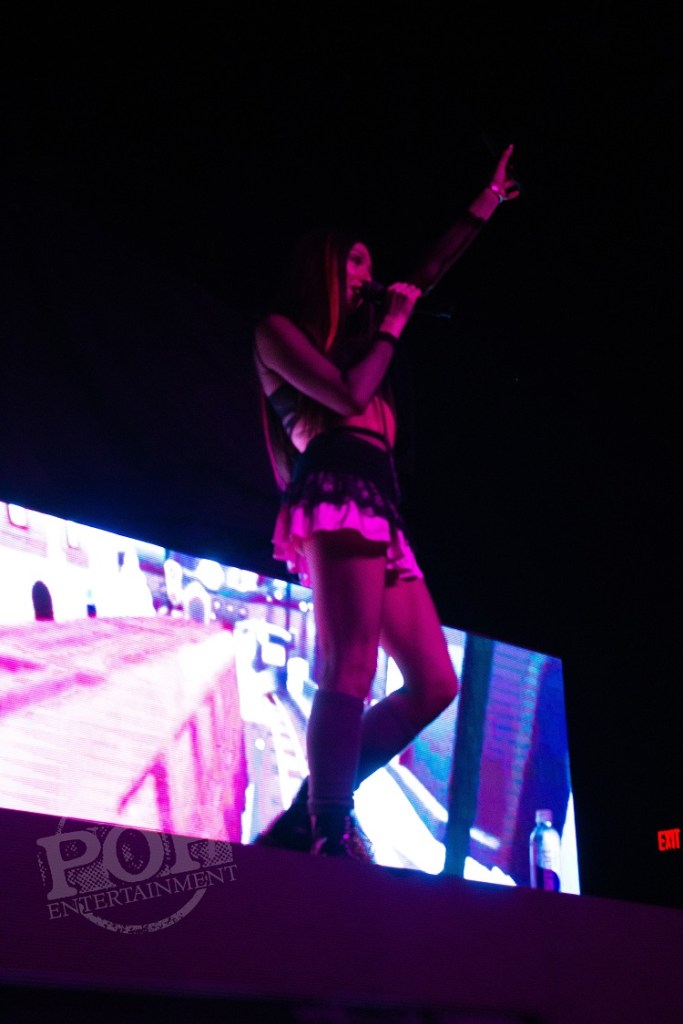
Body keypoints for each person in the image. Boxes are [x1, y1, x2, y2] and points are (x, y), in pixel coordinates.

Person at [253, 146, 521, 859]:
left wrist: (487, 201)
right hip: (337, 486)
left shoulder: (365, 338)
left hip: (379, 500)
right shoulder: (278, 331)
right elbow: (347, 396)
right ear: (322, 269)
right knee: (351, 663)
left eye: (371, 265)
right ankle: (329, 829)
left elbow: (428, 270)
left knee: (434, 681)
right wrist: (394, 326)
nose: (367, 275)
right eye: (355, 262)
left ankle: (313, 809)